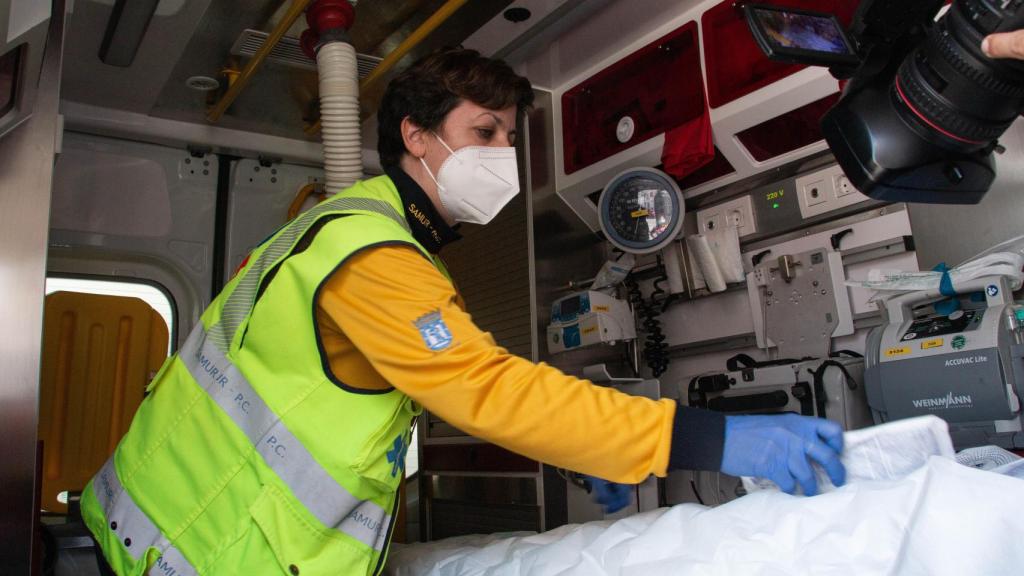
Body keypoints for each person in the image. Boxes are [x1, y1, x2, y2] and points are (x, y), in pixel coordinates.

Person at [81, 48, 846, 576]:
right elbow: (487, 390)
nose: (504, 156)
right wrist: (710, 437)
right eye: (485, 133)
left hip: (159, 523)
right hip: (208, 548)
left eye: (511, 138)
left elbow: (415, 385)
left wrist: (587, 447)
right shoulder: (373, 255)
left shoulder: (341, 231)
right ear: (416, 137)